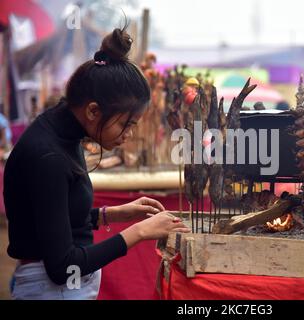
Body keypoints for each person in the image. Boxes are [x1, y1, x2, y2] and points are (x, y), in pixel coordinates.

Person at [3, 27, 190, 300]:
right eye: (126, 124)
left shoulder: (63, 132)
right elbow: (63, 268)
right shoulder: (49, 157)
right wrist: (138, 232)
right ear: (93, 111)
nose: (129, 134)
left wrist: (110, 215)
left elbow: (54, 217)